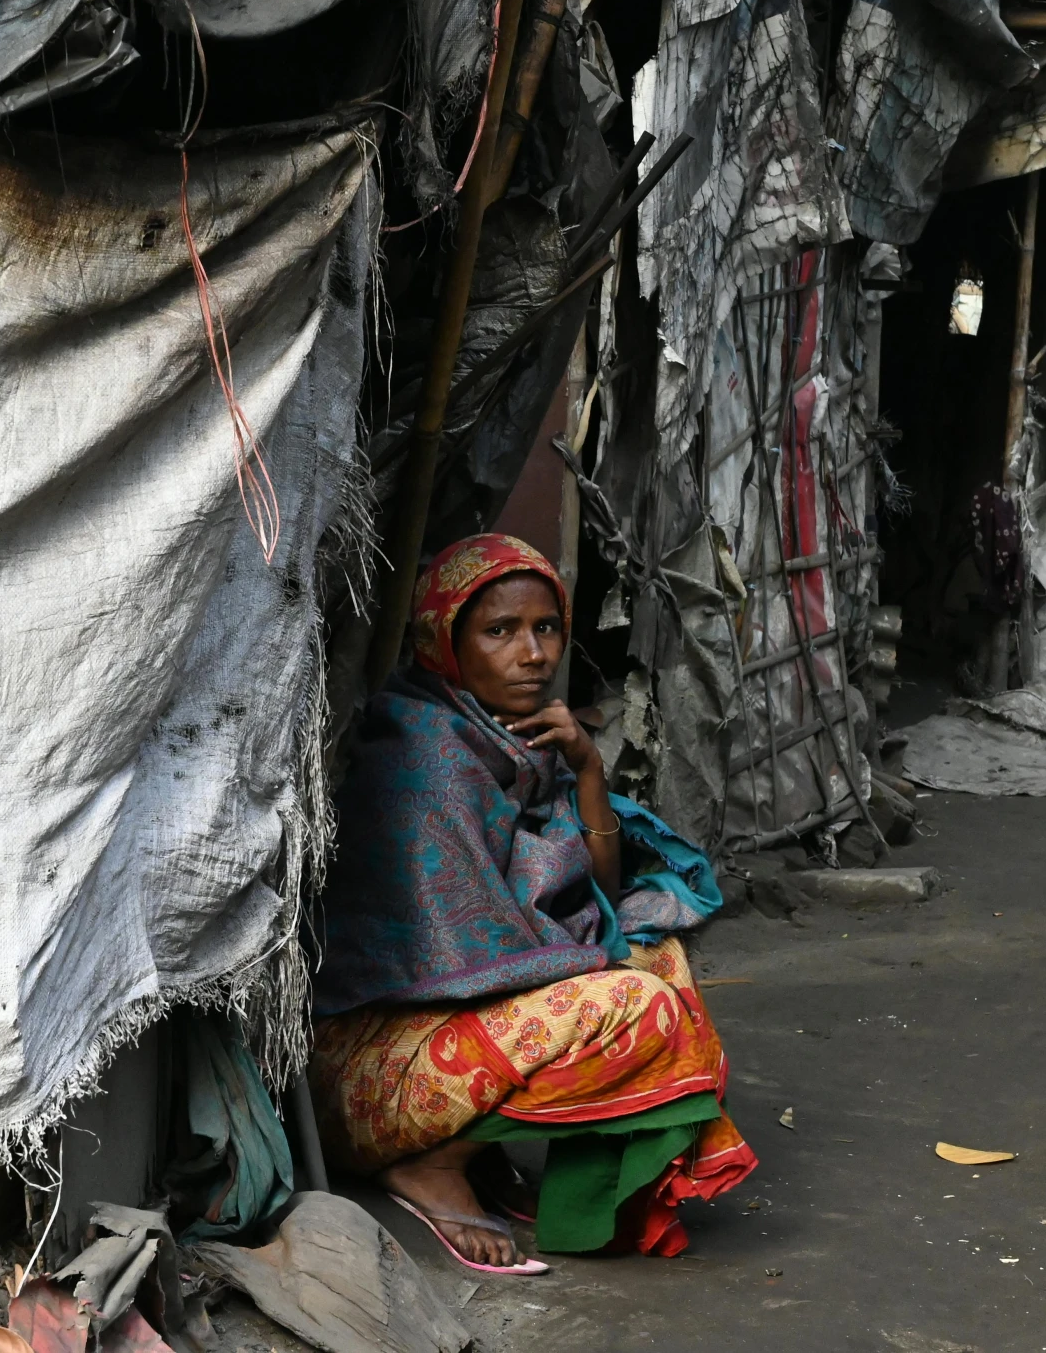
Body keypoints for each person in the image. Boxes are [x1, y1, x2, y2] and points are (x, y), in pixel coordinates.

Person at [312, 534, 754, 1274]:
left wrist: (586, 768)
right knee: (636, 1005)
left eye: (545, 628)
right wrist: (605, 979)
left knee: (658, 964)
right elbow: (469, 955)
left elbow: (598, 895)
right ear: (438, 641)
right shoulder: (420, 761)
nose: (533, 654)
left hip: (443, 1041)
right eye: (499, 631)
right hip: (362, 1074)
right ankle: (430, 1163)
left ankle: (480, 1156)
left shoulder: (515, 743)